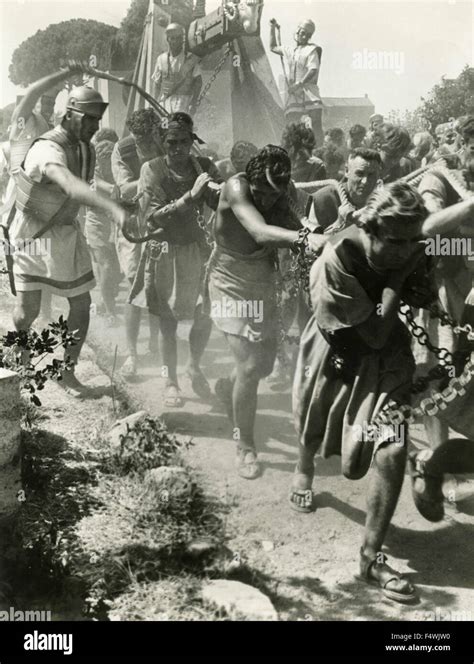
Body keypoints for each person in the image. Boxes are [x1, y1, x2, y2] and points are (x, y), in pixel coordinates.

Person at [291, 182, 433, 603]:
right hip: (340, 346)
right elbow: (369, 333)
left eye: (413, 241)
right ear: (371, 228)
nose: (406, 250)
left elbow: (416, 294)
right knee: (315, 417)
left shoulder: (407, 248)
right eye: (396, 242)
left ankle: (370, 556)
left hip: (388, 357)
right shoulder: (339, 257)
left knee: (391, 448)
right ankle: (304, 466)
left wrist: (418, 278)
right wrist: (400, 279)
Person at [209, 145, 327, 479]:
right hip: (228, 280)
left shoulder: (283, 191)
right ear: (252, 179)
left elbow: (302, 222)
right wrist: (305, 239)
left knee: (263, 364)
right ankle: (245, 445)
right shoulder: (236, 186)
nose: (267, 201)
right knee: (248, 365)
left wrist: (321, 234)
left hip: (263, 280)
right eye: (261, 194)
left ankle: (229, 388)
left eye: (274, 196)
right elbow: (259, 231)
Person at [9, 86, 128, 396]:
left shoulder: (85, 147)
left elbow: (85, 186)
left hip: (66, 231)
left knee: (82, 304)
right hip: (32, 234)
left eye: (97, 120)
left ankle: (66, 371)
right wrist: (112, 207)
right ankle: (21, 368)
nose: (94, 127)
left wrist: (121, 203)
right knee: (27, 312)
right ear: (70, 115)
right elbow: (70, 185)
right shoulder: (46, 149)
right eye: (89, 119)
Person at [129, 112, 222, 406]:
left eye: (184, 141)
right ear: (162, 141)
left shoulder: (204, 166)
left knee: (205, 314)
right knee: (168, 322)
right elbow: (152, 217)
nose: (178, 148)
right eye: (171, 142)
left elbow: (222, 202)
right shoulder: (151, 169)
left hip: (197, 250)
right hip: (165, 251)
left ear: (192, 141)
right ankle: (170, 379)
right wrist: (191, 197)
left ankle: (194, 365)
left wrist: (221, 192)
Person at [111, 109, 163, 376]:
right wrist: (149, 174)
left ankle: (156, 344)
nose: (143, 145)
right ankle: (131, 355)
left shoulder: (169, 140)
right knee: (135, 287)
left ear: (157, 129)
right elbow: (124, 189)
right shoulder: (122, 150)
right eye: (138, 140)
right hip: (133, 222)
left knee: (158, 286)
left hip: (163, 219)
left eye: (148, 138)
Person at [84, 139, 122, 325]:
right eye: (103, 158)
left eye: (110, 157)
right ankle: (110, 311)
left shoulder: (118, 167)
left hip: (115, 221)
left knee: (116, 269)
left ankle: (106, 299)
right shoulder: (92, 170)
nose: (107, 161)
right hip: (97, 222)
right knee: (106, 266)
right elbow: (96, 182)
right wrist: (113, 188)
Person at [270, 18, 323, 144]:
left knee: (315, 123)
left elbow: (313, 70)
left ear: (309, 36)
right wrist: (272, 28)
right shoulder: (289, 50)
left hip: (309, 91)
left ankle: (320, 149)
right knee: (292, 125)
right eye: (301, 31)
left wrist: (299, 84)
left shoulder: (311, 50)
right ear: (297, 30)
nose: (302, 35)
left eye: (306, 34)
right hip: (293, 93)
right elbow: (272, 47)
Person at [308, 148, 381, 231]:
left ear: (378, 175)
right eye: (359, 174)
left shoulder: (382, 203)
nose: (365, 181)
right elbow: (311, 240)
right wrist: (340, 222)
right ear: (347, 171)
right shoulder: (323, 199)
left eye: (371, 175)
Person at [152, 23, 202, 116]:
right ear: (168, 39)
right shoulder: (161, 59)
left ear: (182, 40)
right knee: (165, 128)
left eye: (178, 38)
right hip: (165, 102)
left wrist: (193, 102)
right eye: (172, 38)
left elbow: (198, 82)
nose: (175, 41)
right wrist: (154, 103)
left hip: (184, 102)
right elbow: (157, 83)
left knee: (179, 128)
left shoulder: (190, 59)